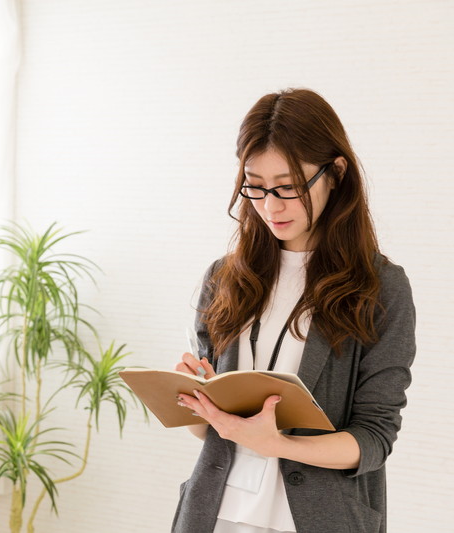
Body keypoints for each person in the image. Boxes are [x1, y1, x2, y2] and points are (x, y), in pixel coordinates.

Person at [171, 88, 415, 533]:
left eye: (288, 187)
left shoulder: (380, 288)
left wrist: (278, 443)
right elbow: (207, 434)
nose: (270, 206)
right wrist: (200, 400)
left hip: (319, 519)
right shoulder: (224, 278)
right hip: (215, 516)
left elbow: (374, 438)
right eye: (256, 187)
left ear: (336, 172)